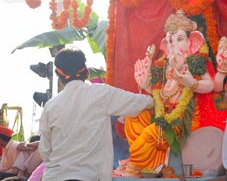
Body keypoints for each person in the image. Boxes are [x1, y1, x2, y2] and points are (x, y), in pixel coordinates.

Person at [121, 9, 227, 171]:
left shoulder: (196, 62)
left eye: (179, 38)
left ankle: (135, 165)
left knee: (154, 130)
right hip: (162, 113)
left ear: (193, 42)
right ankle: (154, 162)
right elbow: (160, 95)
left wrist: (190, 82)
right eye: (169, 39)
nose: (173, 43)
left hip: (183, 118)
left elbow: (211, 86)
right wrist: (145, 84)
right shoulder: (164, 65)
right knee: (133, 118)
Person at [38, 47, 154, 181]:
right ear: (86, 72)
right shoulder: (100, 93)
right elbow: (140, 103)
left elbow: (45, 151)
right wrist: (158, 94)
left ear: (59, 75)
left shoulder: (50, 106)